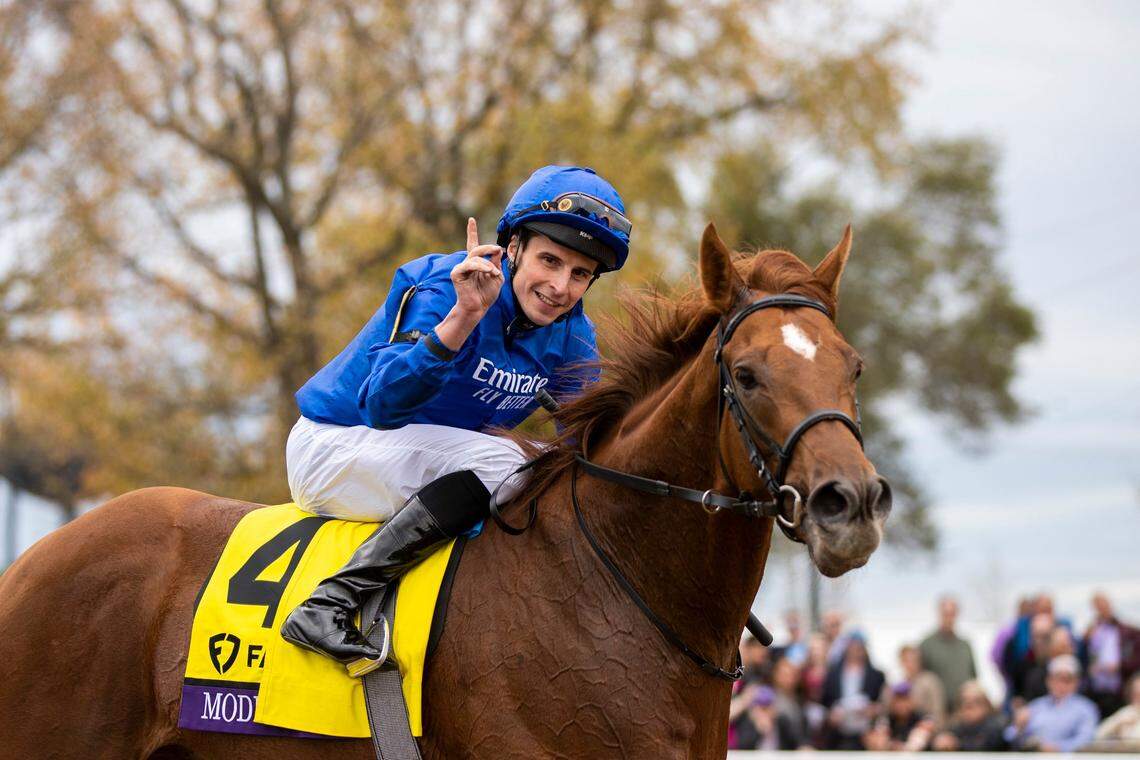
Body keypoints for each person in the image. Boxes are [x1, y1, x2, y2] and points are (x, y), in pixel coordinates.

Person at [278, 165, 632, 672]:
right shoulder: (444, 286)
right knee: (516, 463)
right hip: (335, 447)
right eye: (550, 261)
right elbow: (381, 406)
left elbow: (590, 448)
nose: (560, 287)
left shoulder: (572, 335)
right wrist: (463, 318)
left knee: (556, 469)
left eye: (580, 275)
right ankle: (330, 602)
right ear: (513, 248)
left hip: (425, 465)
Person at [1005, 653, 1099, 752]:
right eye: (1057, 679)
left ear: (1076, 682)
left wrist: (1058, 748)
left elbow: (1086, 739)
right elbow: (1009, 736)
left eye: (1067, 680)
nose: (1061, 685)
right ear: (1048, 681)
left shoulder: (1086, 709)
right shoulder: (1037, 706)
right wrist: (1019, 726)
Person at [820, 631, 885, 749]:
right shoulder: (832, 674)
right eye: (853, 646)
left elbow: (882, 704)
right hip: (837, 734)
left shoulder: (876, 676)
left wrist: (873, 710)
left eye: (859, 647)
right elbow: (825, 702)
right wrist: (831, 714)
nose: (855, 650)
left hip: (866, 735)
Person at [919, 595, 978, 711]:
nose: (949, 618)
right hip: (936, 710)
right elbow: (920, 681)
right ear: (939, 614)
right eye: (946, 614)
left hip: (962, 710)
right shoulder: (927, 645)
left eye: (952, 614)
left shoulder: (965, 646)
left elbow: (973, 678)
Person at [931, 680, 1007, 752]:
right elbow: (944, 739)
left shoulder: (997, 725)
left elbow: (987, 744)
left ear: (987, 704)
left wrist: (957, 745)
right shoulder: (956, 725)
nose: (968, 705)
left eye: (976, 701)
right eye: (964, 700)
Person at [897, 643, 946, 729]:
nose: (910, 664)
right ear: (901, 662)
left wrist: (915, 706)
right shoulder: (896, 683)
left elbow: (938, 711)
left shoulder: (930, 681)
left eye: (914, 660)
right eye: (906, 660)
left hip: (927, 727)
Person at [1096, 672, 1140, 743]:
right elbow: (1097, 735)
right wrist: (1117, 722)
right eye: (1135, 694)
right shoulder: (1126, 712)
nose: (1137, 699)